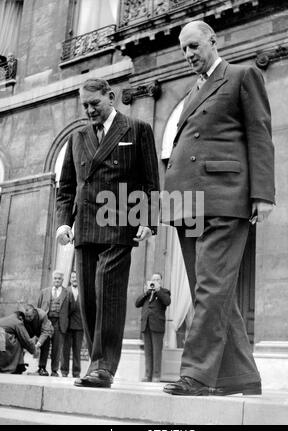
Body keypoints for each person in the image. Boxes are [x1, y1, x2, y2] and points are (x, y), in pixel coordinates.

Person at [162, 21, 275, 397]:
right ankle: (241, 376)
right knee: (209, 288)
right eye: (183, 49)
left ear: (213, 40)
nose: (188, 54)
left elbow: (260, 134)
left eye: (194, 46)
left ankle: (196, 374)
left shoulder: (243, 76)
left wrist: (263, 194)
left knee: (211, 286)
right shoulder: (194, 90)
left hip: (225, 199)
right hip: (187, 203)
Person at [56, 78, 160, 388]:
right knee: (89, 299)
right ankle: (95, 361)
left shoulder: (137, 129)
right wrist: (64, 223)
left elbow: (149, 181)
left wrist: (146, 220)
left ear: (110, 97)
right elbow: (66, 188)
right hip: (86, 228)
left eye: (94, 104)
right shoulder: (77, 138)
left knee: (108, 293)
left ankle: (103, 366)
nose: (89, 110)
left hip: (119, 224)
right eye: (84, 106)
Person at [135, 273, 171, 382]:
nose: (155, 281)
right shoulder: (147, 293)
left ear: (160, 281)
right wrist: (146, 292)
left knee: (156, 352)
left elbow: (167, 301)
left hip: (157, 326)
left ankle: (156, 376)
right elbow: (137, 303)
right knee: (148, 351)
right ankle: (147, 375)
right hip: (146, 325)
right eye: (153, 279)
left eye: (157, 279)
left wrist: (158, 290)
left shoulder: (164, 292)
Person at [37, 270, 70, 377]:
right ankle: (42, 368)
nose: (57, 280)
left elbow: (71, 309)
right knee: (44, 346)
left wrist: (65, 320)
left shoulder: (67, 293)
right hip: (47, 322)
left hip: (59, 323)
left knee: (57, 347)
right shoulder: (44, 291)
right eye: (55, 278)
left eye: (59, 279)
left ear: (62, 280)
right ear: (53, 279)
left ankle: (54, 370)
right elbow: (38, 308)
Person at [0, 309, 39, 374]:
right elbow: (26, 339)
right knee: (18, 341)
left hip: (2, 337)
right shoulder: (18, 322)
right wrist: (34, 350)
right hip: (1, 337)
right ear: (21, 318)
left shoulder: (7, 318)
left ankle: (16, 365)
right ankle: (15, 366)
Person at [60, 271, 84, 378]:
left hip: (79, 326)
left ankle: (76, 372)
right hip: (67, 326)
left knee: (77, 350)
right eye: (73, 277)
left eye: (76, 277)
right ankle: (64, 371)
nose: (75, 279)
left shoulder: (84, 292)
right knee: (65, 350)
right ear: (70, 279)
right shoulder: (65, 291)